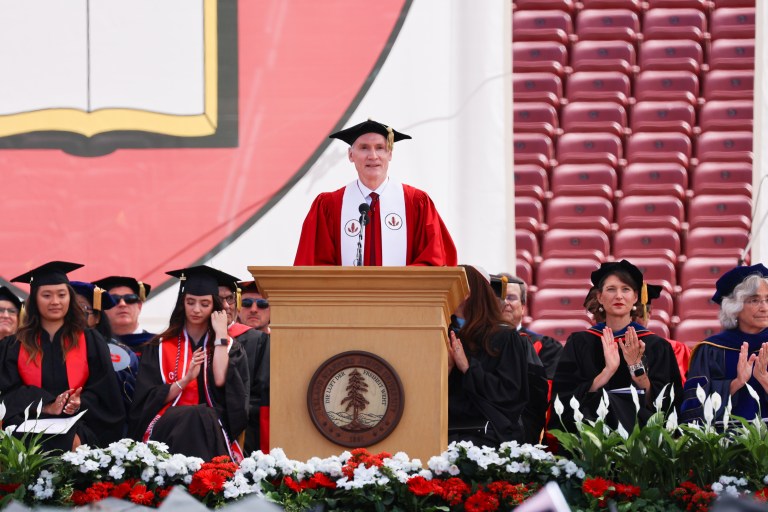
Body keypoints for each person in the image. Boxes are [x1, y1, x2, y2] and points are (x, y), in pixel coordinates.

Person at [294, 119, 457, 267]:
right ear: (351, 155)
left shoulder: (416, 202)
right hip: (346, 299)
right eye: (364, 148)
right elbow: (314, 267)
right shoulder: (330, 205)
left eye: (380, 148)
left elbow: (434, 263)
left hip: (401, 299)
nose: (373, 156)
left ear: (390, 154)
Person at [0, 262, 125, 451]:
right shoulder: (14, 345)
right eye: (47, 295)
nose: (55, 302)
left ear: (70, 298)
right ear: (34, 300)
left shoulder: (90, 340)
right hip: (28, 422)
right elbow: (7, 393)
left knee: (69, 439)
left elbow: (107, 394)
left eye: (61, 294)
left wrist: (78, 402)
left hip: (81, 421)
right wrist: (46, 405)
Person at [128, 265, 249, 462]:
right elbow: (147, 398)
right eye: (190, 302)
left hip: (211, 427)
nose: (196, 309)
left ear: (214, 306)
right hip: (167, 424)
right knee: (193, 415)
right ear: (182, 303)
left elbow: (221, 381)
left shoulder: (229, 346)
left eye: (204, 303)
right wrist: (185, 380)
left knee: (199, 415)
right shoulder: (158, 346)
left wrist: (220, 334)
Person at [551, 260, 683, 432]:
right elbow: (564, 399)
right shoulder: (580, 343)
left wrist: (637, 370)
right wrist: (607, 372)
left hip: (642, 442)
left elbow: (668, 405)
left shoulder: (656, 346)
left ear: (635, 297)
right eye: (611, 289)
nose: (618, 296)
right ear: (599, 297)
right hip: (591, 440)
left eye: (625, 289)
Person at [448, 265, 539, 446]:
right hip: (444, 432)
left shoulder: (504, 337)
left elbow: (510, 393)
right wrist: (447, 369)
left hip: (487, 437)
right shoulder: (446, 333)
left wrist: (468, 367)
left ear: (468, 294)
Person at [681, 264, 768, 423]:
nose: (764, 308)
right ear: (735, 307)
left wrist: (764, 380)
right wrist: (736, 383)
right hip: (725, 442)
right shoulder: (710, 350)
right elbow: (693, 409)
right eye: (754, 300)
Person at [71, 281, 139, 415]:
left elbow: (127, 398)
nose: (74, 316)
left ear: (96, 317)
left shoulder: (118, 353)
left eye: (82, 309)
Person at [218, 278, 269, 455]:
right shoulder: (214, 336)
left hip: (251, 430)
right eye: (247, 303)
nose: (254, 309)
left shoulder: (273, 343)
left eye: (262, 304)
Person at [499, 274, 563, 380]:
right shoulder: (476, 342)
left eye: (511, 297)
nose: (505, 302)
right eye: (499, 297)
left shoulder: (548, 348)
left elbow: (545, 392)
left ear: (523, 307)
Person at [91, 276, 154, 357]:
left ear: (139, 306)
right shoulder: (94, 346)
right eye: (114, 299)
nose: (122, 304)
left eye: (130, 299)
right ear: (102, 308)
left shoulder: (158, 345)